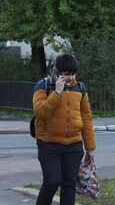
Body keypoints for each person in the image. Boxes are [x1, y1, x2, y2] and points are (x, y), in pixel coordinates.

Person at [33, 54, 96, 205]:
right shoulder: (43, 86)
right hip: (49, 144)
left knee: (69, 185)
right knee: (52, 181)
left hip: (73, 145)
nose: (69, 78)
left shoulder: (80, 88)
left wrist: (90, 147)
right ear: (56, 71)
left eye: (72, 74)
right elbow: (40, 113)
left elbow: (86, 117)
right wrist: (57, 93)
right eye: (65, 74)